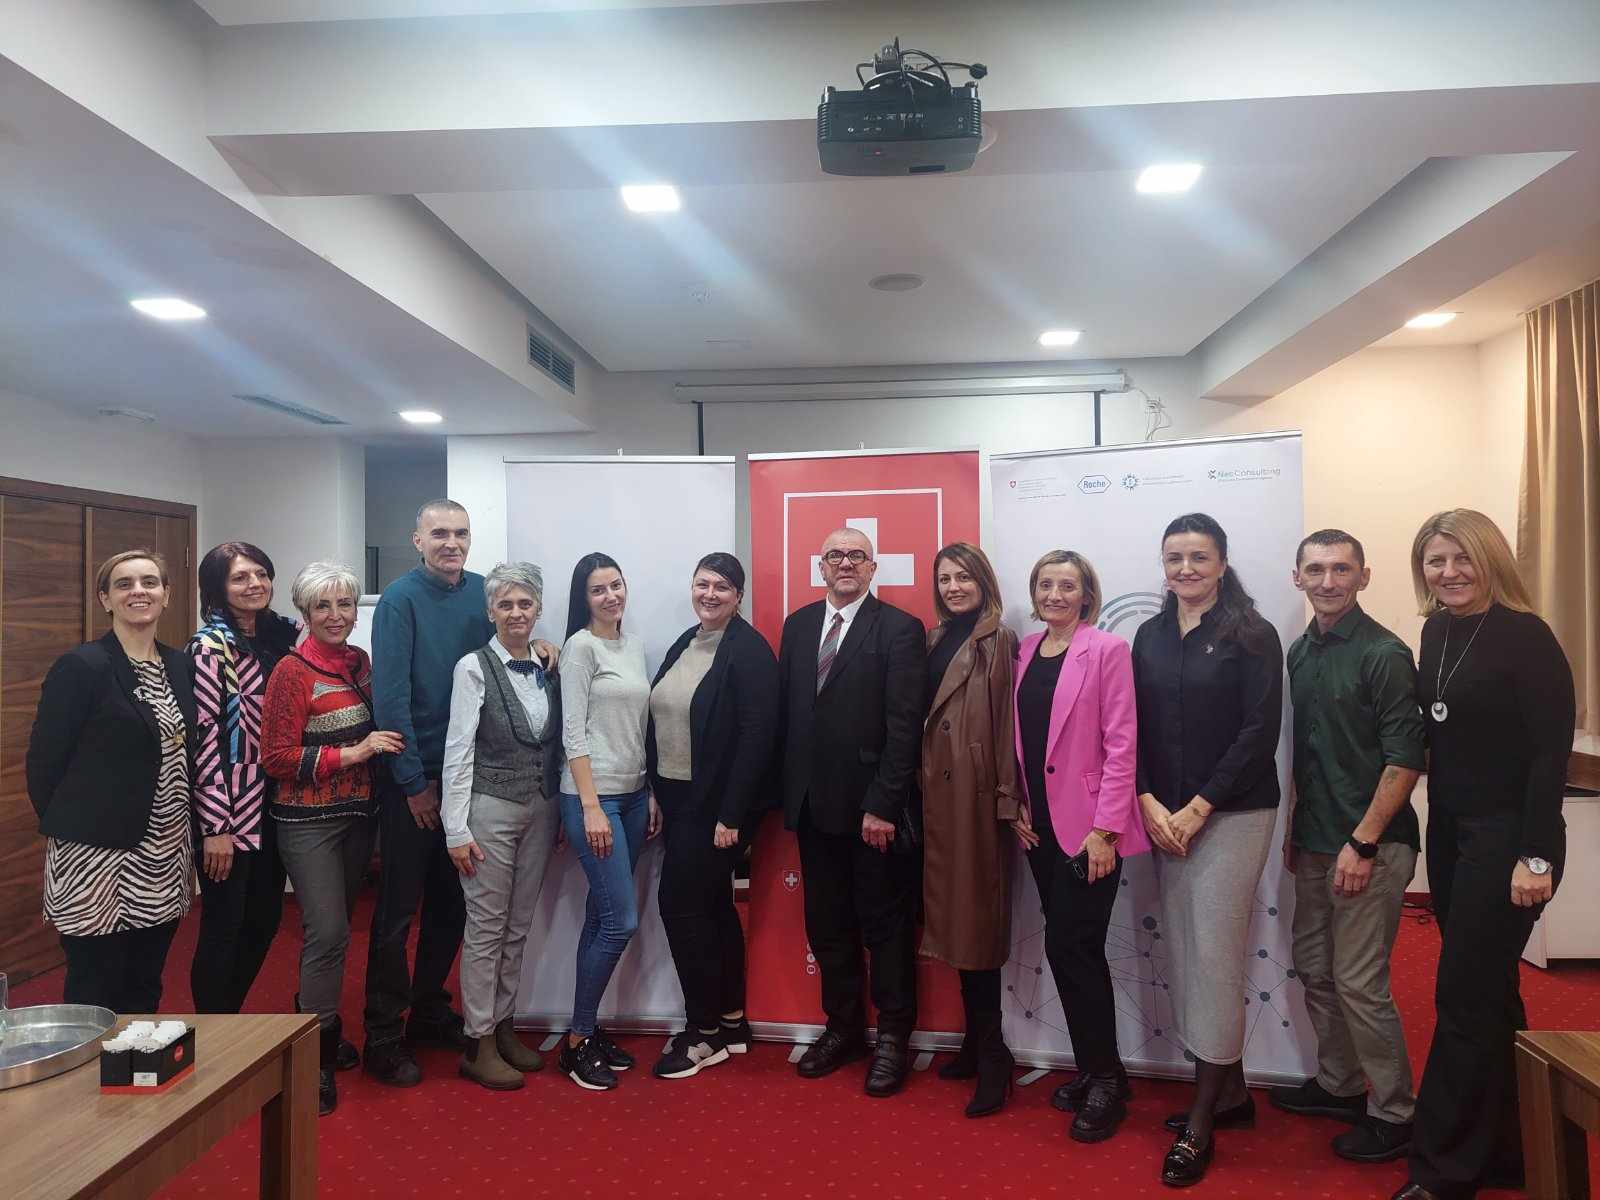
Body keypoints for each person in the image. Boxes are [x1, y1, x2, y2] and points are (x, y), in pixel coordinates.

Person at [1392, 510, 1575, 1200]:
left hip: (1509, 840)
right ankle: (1515, 1147)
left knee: (1463, 997)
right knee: (1492, 993)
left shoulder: (1527, 637)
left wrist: (1536, 856)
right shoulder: (1436, 631)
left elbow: (1549, 757)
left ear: (1490, 558)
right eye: (1435, 561)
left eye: (1461, 558)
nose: (1449, 573)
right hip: (1451, 832)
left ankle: (1443, 1169)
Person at [363, 499, 556, 1086]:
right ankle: (383, 1033)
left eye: (461, 533)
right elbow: (391, 696)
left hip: (468, 784)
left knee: (454, 911)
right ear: (417, 540)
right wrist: (413, 784)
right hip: (416, 778)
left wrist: (542, 647)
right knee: (398, 913)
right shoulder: (399, 600)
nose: (451, 542)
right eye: (440, 533)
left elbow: (507, 641)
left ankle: (430, 1011)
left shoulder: (481, 591)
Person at [1131, 512, 1283, 1188]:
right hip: (1165, 818)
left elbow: (1259, 732)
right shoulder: (1149, 634)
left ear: (1222, 563)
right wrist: (1146, 799)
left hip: (1234, 815)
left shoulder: (1253, 633)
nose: (1186, 568)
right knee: (1189, 955)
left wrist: (1200, 806)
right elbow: (1129, 724)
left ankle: (1200, 1119)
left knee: (1215, 959)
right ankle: (1233, 1094)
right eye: (1175, 558)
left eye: (1198, 557)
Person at [1273, 529, 1425, 1164]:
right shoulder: (1299, 651)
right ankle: (1339, 1084)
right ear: (1297, 578)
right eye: (1315, 570)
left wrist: (1362, 843)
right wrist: (1295, 830)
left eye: (1341, 570)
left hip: (1372, 845)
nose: (1328, 581)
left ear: (1364, 577)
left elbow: (1405, 759)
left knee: (1359, 982)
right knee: (1315, 968)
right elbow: (1306, 755)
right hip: (1315, 840)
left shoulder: (1384, 654)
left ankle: (1395, 1112)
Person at [778, 527, 926, 1098]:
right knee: (827, 925)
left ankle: (892, 1038)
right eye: (835, 555)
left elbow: (904, 726)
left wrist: (884, 804)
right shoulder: (797, 626)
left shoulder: (899, 629)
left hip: (872, 814)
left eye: (856, 555)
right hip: (813, 808)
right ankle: (843, 1028)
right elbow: (791, 717)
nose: (845, 563)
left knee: (885, 930)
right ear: (821, 566)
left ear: (872, 568)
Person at [1015, 549, 1149, 1141]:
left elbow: (1123, 744)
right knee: (1067, 949)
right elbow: (1023, 741)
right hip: (1038, 828)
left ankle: (1108, 1080)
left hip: (1089, 831)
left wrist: (1106, 831)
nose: (1055, 595)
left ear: (1087, 594)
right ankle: (1094, 1067)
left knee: (1075, 947)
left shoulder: (1108, 650)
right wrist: (1017, 803)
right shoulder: (1025, 651)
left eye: (1067, 586)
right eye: (1045, 585)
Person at [26, 549, 196, 1013]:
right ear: (105, 599)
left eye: (149, 582)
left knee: (144, 983)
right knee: (94, 989)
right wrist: (82, 826)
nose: (138, 591)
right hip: (94, 858)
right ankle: (88, 1063)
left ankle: (139, 1058)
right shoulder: (83, 666)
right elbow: (44, 764)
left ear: (166, 594)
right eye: (124, 584)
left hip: (164, 853)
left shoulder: (179, 665)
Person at [262, 562, 404, 1116]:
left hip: (359, 818)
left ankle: (323, 1031)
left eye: (345, 604)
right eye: (323, 606)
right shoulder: (291, 671)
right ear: (305, 612)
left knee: (339, 930)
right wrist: (354, 752)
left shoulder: (360, 663)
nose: (336, 615)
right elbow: (276, 757)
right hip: (309, 823)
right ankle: (313, 1059)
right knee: (326, 933)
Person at [645, 552, 778, 1080]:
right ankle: (730, 1022)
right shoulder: (688, 640)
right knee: (714, 908)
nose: (710, 594)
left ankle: (702, 1033)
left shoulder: (749, 650)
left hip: (716, 808)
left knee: (680, 908)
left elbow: (758, 738)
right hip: (678, 799)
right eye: (703, 584)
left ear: (738, 595)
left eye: (722, 586)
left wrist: (732, 815)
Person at [441, 562, 563, 1091]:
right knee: (486, 929)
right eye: (506, 604)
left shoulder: (547, 663)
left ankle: (504, 1025)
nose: (516, 613)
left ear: (538, 609)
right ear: (490, 610)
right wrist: (455, 828)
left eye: (525, 603)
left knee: (518, 926)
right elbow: (458, 749)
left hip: (541, 808)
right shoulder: (472, 667)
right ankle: (477, 1041)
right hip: (489, 809)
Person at [919, 542, 1022, 1118]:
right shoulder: (934, 639)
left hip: (975, 801)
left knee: (977, 923)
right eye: (945, 578)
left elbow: (1007, 725)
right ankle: (974, 1042)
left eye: (964, 577)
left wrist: (1005, 799)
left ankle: (994, 1054)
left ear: (984, 581)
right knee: (958, 920)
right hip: (936, 797)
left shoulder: (998, 640)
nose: (954, 587)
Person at [556, 552, 659, 1091]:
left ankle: (586, 1030)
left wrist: (650, 791)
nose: (611, 596)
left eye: (616, 585)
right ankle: (576, 1041)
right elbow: (572, 732)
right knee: (621, 921)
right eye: (598, 590)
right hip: (593, 799)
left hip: (635, 795)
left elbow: (639, 728)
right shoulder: (580, 648)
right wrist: (592, 805)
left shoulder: (634, 645)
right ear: (584, 598)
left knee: (601, 917)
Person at [186, 542, 302, 1017]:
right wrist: (216, 828)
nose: (255, 584)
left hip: (278, 803)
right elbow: (204, 739)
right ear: (217, 588)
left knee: (264, 920)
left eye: (261, 573)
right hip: (229, 809)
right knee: (225, 925)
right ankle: (214, 1029)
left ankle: (228, 1020)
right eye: (240, 577)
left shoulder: (284, 636)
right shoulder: (209, 648)